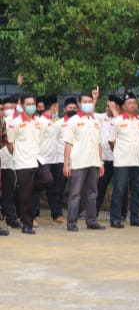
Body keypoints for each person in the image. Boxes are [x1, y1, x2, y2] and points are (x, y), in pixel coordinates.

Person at [6, 95, 53, 234]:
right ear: (22, 105)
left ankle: (29, 188)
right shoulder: (14, 123)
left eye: (33, 103)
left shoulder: (39, 121)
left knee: (48, 179)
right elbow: (10, 142)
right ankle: (27, 225)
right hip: (23, 162)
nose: (31, 106)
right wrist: (17, 155)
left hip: (37, 159)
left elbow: (42, 137)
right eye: (28, 103)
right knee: (26, 198)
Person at [63, 93, 105, 231]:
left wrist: (101, 162)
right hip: (78, 162)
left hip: (94, 162)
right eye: (85, 101)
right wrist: (66, 164)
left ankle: (91, 221)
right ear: (79, 104)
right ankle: (72, 222)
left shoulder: (96, 122)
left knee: (93, 193)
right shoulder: (73, 121)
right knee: (75, 193)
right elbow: (68, 144)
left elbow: (99, 144)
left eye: (90, 101)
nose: (88, 104)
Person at [108, 92, 139, 229]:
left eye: (134, 103)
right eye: (129, 103)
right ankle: (115, 219)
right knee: (119, 191)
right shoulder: (117, 121)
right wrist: (119, 153)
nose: (132, 105)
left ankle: (135, 218)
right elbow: (111, 141)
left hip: (138, 162)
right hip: (122, 162)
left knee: (137, 191)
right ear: (124, 106)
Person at [46, 97, 78, 227]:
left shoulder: (80, 122)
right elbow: (52, 141)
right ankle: (57, 215)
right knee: (58, 189)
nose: (72, 110)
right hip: (60, 160)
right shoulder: (58, 124)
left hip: (77, 161)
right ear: (64, 109)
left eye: (75, 108)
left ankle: (75, 214)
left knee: (76, 190)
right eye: (70, 108)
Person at [36, 95, 66, 224]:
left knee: (54, 189)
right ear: (54, 106)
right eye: (57, 106)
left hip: (54, 159)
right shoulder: (40, 121)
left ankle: (56, 215)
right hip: (43, 159)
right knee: (41, 185)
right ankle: (32, 215)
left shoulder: (55, 121)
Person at [95, 94, 123, 214]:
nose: (107, 109)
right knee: (100, 186)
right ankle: (93, 212)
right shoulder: (102, 117)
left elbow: (120, 123)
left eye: (110, 106)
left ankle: (121, 213)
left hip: (119, 160)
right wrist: (95, 99)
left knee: (121, 187)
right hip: (105, 159)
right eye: (107, 106)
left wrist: (114, 110)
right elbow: (91, 114)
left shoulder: (123, 119)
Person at [0, 98, 20, 230]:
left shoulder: (3, 123)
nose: (3, 111)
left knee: (8, 191)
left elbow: (5, 142)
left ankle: (11, 218)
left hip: (6, 163)